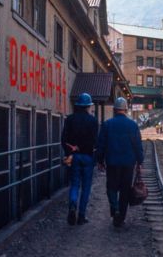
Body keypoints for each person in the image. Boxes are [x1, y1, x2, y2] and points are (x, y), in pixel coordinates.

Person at [95, 97, 144, 227]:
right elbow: (137, 145)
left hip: (112, 163)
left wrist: (100, 160)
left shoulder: (107, 124)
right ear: (126, 110)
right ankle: (121, 217)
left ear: (115, 110)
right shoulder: (133, 125)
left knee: (111, 187)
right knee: (125, 190)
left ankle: (115, 209)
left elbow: (101, 145)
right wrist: (140, 161)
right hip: (128, 164)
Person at [61, 93, 98, 225]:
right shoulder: (93, 121)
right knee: (86, 187)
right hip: (87, 157)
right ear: (88, 106)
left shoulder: (70, 119)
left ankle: (72, 205)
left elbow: (63, 139)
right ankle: (81, 216)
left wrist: (69, 152)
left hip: (74, 157)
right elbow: (95, 141)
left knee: (75, 184)